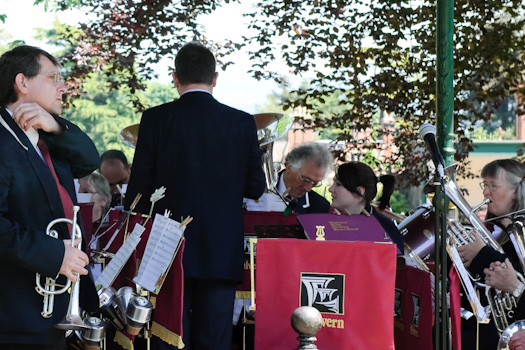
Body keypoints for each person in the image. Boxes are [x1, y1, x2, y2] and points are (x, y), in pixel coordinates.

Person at [124, 42, 265, 350]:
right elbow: (256, 188)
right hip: (221, 247)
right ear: (215, 78)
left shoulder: (155, 119)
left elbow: (136, 193)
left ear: (175, 78)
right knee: (214, 339)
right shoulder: (242, 122)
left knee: (167, 334)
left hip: (167, 248)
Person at [0, 45, 99, 349]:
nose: (63, 86)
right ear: (23, 82)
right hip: (17, 316)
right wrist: (56, 255)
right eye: (53, 76)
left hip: (50, 308)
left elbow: (88, 160)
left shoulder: (47, 136)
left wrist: (56, 126)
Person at [456, 159, 525, 350]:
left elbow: (515, 273)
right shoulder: (491, 229)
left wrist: (481, 254)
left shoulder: (521, 233)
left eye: (493, 185)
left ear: (516, 192)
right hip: (478, 327)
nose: (486, 192)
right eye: (485, 185)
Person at [328, 161, 404, 253]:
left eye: (338, 184)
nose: (330, 189)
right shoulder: (324, 218)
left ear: (360, 191)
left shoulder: (385, 231)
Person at [244, 142, 332, 214]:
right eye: (306, 179)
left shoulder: (320, 207)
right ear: (290, 167)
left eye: (315, 183)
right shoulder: (254, 189)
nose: (308, 188)